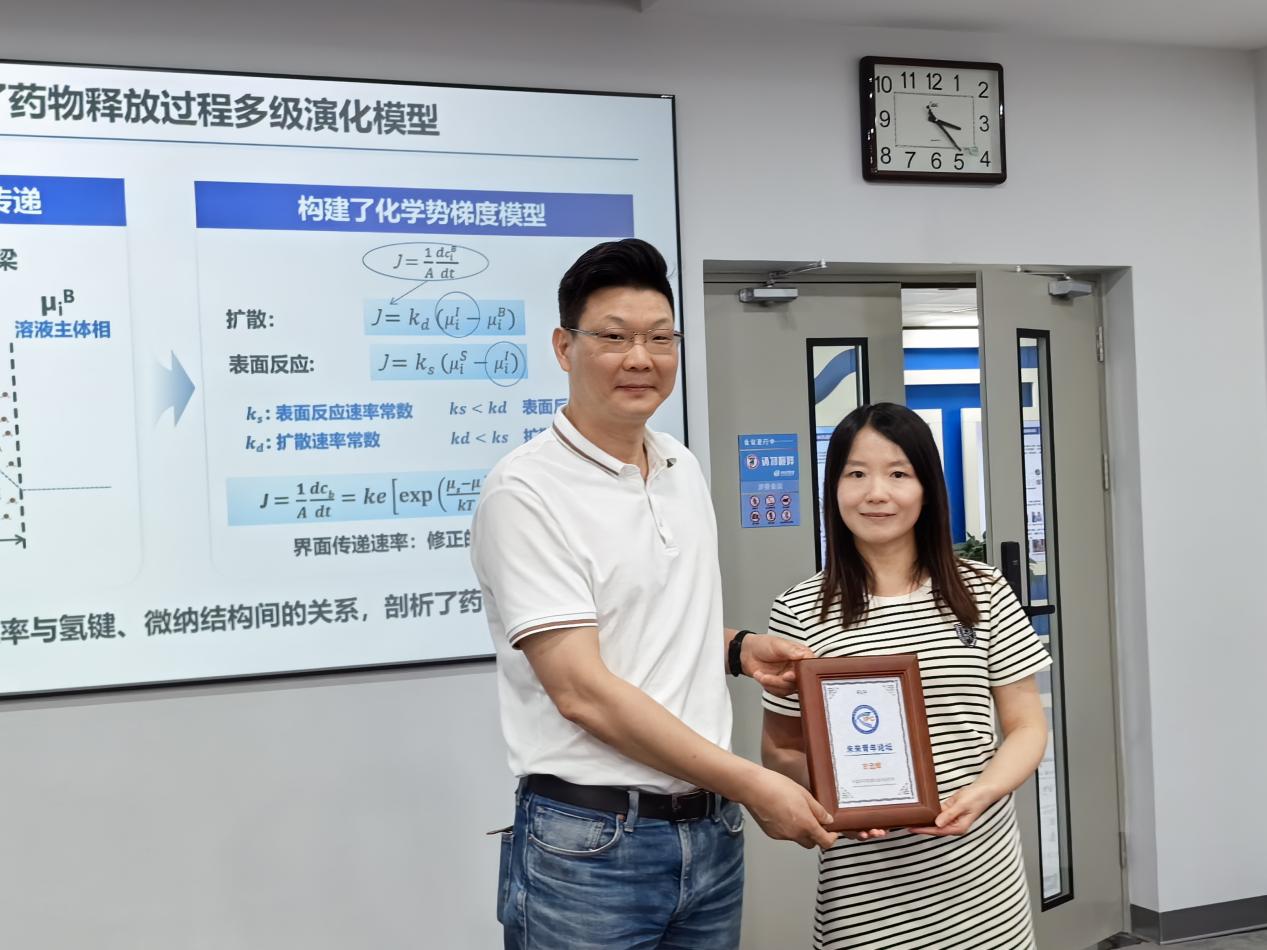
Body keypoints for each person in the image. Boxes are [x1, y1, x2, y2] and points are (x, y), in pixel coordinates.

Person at [471, 238, 837, 950]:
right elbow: (582, 691)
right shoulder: (525, 492)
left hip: (710, 834)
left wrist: (736, 649)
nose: (640, 358)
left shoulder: (679, 465)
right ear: (564, 347)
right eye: (613, 337)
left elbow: (641, 624)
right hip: (591, 848)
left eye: (659, 338)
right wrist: (752, 783)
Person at [761, 402, 1052, 949]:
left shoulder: (982, 591)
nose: (877, 493)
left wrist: (983, 792)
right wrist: (841, 797)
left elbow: (1027, 726)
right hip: (863, 896)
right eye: (856, 474)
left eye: (898, 474)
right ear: (833, 488)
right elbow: (779, 749)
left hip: (981, 884)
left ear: (927, 489)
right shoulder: (799, 610)